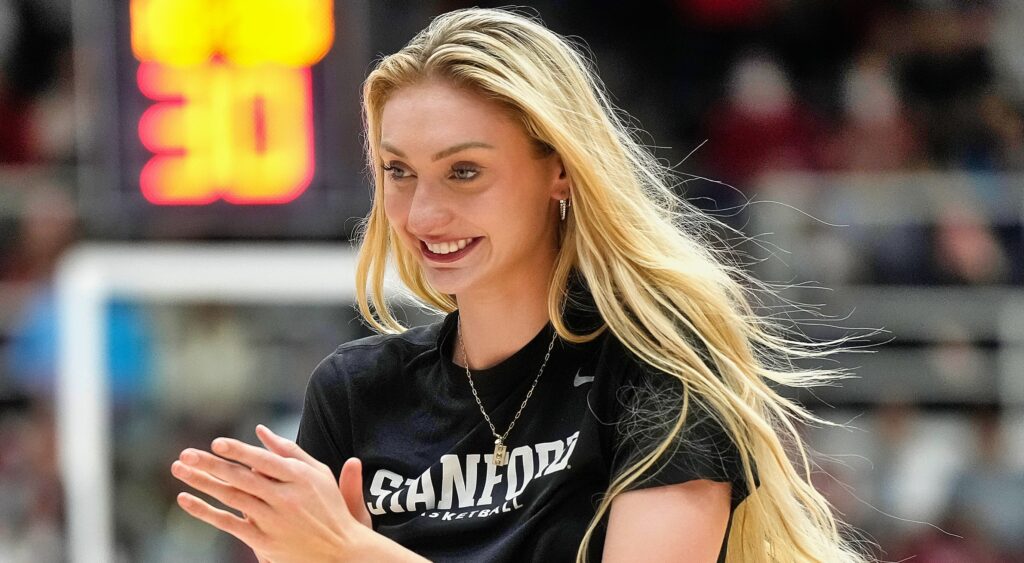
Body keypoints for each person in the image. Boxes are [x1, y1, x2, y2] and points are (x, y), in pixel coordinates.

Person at [170, 7, 872, 562]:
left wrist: (355, 552)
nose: (422, 212)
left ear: (559, 169)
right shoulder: (353, 393)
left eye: (464, 171)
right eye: (398, 170)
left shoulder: (658, 375)